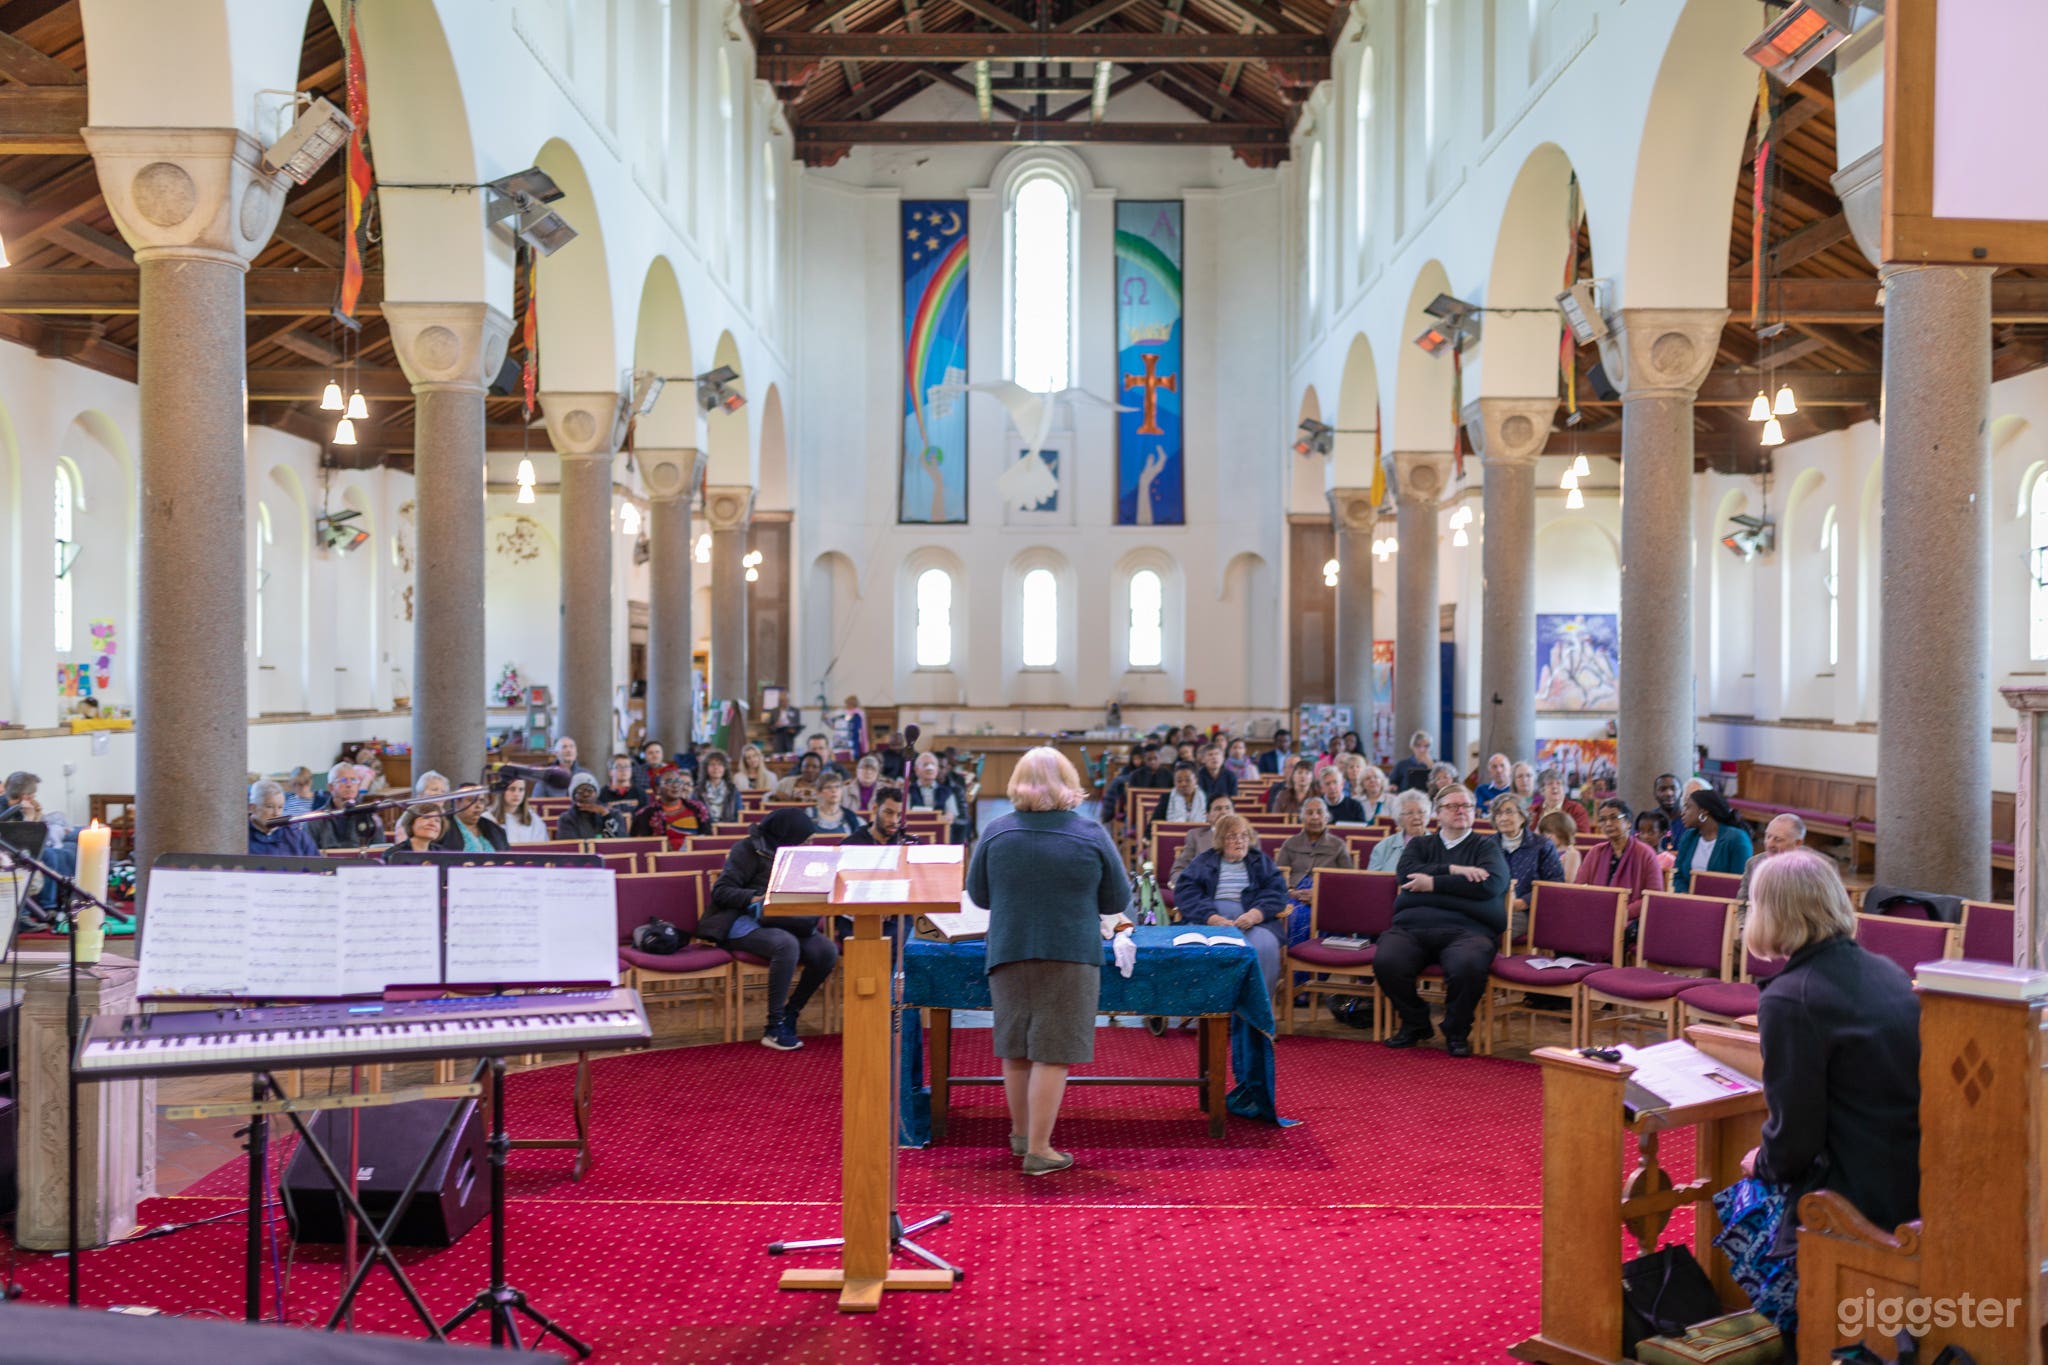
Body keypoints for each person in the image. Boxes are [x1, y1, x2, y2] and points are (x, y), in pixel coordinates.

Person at [1735, 849, 1920, 1321]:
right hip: (1912, 1177)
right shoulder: (1889, 970)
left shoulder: (1790, 999)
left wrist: (1762, 1162)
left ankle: (1798, 1329)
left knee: (1737, 1196)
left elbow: (1794, 1138)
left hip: (1853, 1196)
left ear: (1772, 913)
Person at [966, 748, 1129, 1175]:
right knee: (1052, 1052)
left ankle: (1022, 1136)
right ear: (1067, 783)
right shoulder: (1091, 834)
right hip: (1070, 952)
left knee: (1016, 1048)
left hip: (1009, 948)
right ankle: (1040, 1149)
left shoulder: (996, 831)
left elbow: (979, 896)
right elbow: (1117, 900)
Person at [1375, 784, 1508, 1057]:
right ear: (1437, 813)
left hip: (1469, 929)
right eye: (1452, 806)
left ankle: (1456, 1030)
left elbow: (1491, 885)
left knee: (1467, 965)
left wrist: (1432, 883)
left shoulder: (1487, 847)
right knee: (1387, 960)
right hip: (1412, 926)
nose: (1461, 811)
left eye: (1467, 806)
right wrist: (1454, 871)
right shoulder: (1421, 844)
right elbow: (1407, 874)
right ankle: (1416, 1022)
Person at [705, 808, 838, 1051]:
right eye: (805, 841)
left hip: (784, 918)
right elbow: (721, 891)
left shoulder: (799, 855)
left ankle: (791, 1013)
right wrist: (757, 898)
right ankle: (774, 1026)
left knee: (827, 951)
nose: (809, 846)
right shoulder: (746, 849)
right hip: (742, 919)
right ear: (788, 836)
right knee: (786, 944)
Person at [1175, 815, 1289, 991]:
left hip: (1252, 921)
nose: (1240, 841)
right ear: (1221, 840)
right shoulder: (1204, 861)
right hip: (1210, 920)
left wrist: (1255, 914)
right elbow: (1186, 891)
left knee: (1265, 945)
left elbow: (1276, 891)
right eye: (1232, 836)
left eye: (1244, 835)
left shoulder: (1260, 861)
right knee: (1195, 947)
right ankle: (1205, 1006)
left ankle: (1253, 1010)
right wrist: (1211, 917)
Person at [1490, 793, 1566, 945]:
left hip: (1525, 911)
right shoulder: (1487, 846)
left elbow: (1555, 882)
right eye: (1498, 813)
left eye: (1509, 812)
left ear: (1523, 817)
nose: (1503, 818)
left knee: (1487, 931)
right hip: (1490, 907)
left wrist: (1523, 902)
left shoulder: (1541, 845)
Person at [1574, 798, 1664, 914]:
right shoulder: (1596, 852)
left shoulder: (1645, 854)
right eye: (1603, 819)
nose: (1608, 823)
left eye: (1614, 818)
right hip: (1596, 914)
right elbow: (1578, 888)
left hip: (1629, 918)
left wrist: (1622, 912)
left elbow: (1654, 896)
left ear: (1628, 822)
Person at [1672, 787, 1755, 895]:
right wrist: (1685, 894)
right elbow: (1678, 875)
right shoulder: (1689, 837)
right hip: (1689, 902)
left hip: (1723, 905)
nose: (1682, 813)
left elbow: (1739, 882)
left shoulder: (1737, 839)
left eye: (1688, 807)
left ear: (1703, 811)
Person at [1276, 797, 1354, 886]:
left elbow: (1347, 879)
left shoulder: (1338, 845)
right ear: (1302, 818)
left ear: (1326, 818)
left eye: (1319, 812)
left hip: (1326, 893)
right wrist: (1290, 891)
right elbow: (1279, 875)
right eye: (1309, 813)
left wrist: (1318, 892)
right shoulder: (1290, 843)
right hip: (1292, 893)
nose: (1315, 817)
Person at [1737, 813, 1807, 904]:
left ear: (1797, 843)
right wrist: (1745, 919)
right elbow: (1741, 904)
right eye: (1768, 836)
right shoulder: (1754, 863)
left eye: (1778, 839)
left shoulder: (1810, 870)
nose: (1769, 844)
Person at [313, 765, 386, 849]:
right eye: (343, 780)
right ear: (331, 787)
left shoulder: (370, 817)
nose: (349, 785)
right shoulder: (315, 820)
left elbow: (378, 851)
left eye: (353, 780)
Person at [1167, 797, 1234, 884]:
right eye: (1218, 809)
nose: (1224, 812)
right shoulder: (1195, 836)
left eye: (1228, 808)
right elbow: (1179, 869)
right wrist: (1188, 885)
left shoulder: (1248, 836)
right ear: (1207, 815)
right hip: (1203, 889)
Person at [248, 780, 321, 857]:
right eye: (270, 806)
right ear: (252, 808)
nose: (276, 813)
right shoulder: (242, 836)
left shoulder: (295, 833)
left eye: (280, 807)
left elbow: (318, 863)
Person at [1367, 789, 1432, 871]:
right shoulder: (1382, 848)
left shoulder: (1440, 846)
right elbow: (1373, 880)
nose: (1416, 817)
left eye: (1421, 812)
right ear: (1400, 818)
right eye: (1409, 813)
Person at [438, 786, 510, 852]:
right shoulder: (442, 826)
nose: (478, 806)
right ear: (457, 802)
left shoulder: (496, 830)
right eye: (471, 800)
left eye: (481, 801)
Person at [555, 772, 624, 840]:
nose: (586, 794)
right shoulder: (566, 818)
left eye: (590, 790)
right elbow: (570, 847)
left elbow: (618, 844)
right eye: (580, 791)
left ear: (597, 794)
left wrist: (606, 815)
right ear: (573, 797)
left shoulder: (614, 814)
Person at [846, 786, 919, 847]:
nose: (894, 821)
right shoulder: (851, 845)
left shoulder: (910, 845)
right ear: (875, 809)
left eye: (899, 815)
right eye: (889, 813)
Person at [490, 775, 549, 845]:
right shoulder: (489, 818)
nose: (516, 794)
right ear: (502, 791)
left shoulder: (534, 819)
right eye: (512, 789)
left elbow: (541, 847)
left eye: (521, 790)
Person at [1531, 769, 1593, 835]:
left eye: (1559, 783)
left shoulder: (1577, 810)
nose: (1555, 787)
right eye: (1550, 784)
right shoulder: (1533, 810)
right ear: (1541, 790)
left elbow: (1583, 837)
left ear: (1564, 788)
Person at [906, 752, 961, 825]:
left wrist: (944, 819)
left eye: (933, 764)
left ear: (937, 769)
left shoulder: (947, 791)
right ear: (916, 769)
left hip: (940, 830)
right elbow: (905, 814)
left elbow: (951, 814)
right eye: (925, 764)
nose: (929, 768)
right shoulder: (908, 791)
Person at [807, 771, 866, 839]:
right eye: (829, 787)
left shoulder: (851, 817)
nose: (834, 790)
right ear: (819, 792)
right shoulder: (809, 815)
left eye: (837, 787)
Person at [696, 750, 741, 824]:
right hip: (705, 832)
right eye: (712, 764)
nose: (716, 767)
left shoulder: (733, 790)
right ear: (706, 768)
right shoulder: (698, 791)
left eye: (720, 764)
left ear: (725, 768)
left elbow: (738, 816)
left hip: (728, 831)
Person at [598, 754, 645, 824]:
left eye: (627, 766)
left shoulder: (640, 792)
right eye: (619, 766)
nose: (624, 770)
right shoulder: (601, 794)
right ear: (610, 772)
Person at [1537, 809, 1582, 880]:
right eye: (1544, 833)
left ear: (1563, 832)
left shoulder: (1571, 854)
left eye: (1550, 832)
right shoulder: (1545, 851)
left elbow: (1568, 882)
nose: (1546, 836)